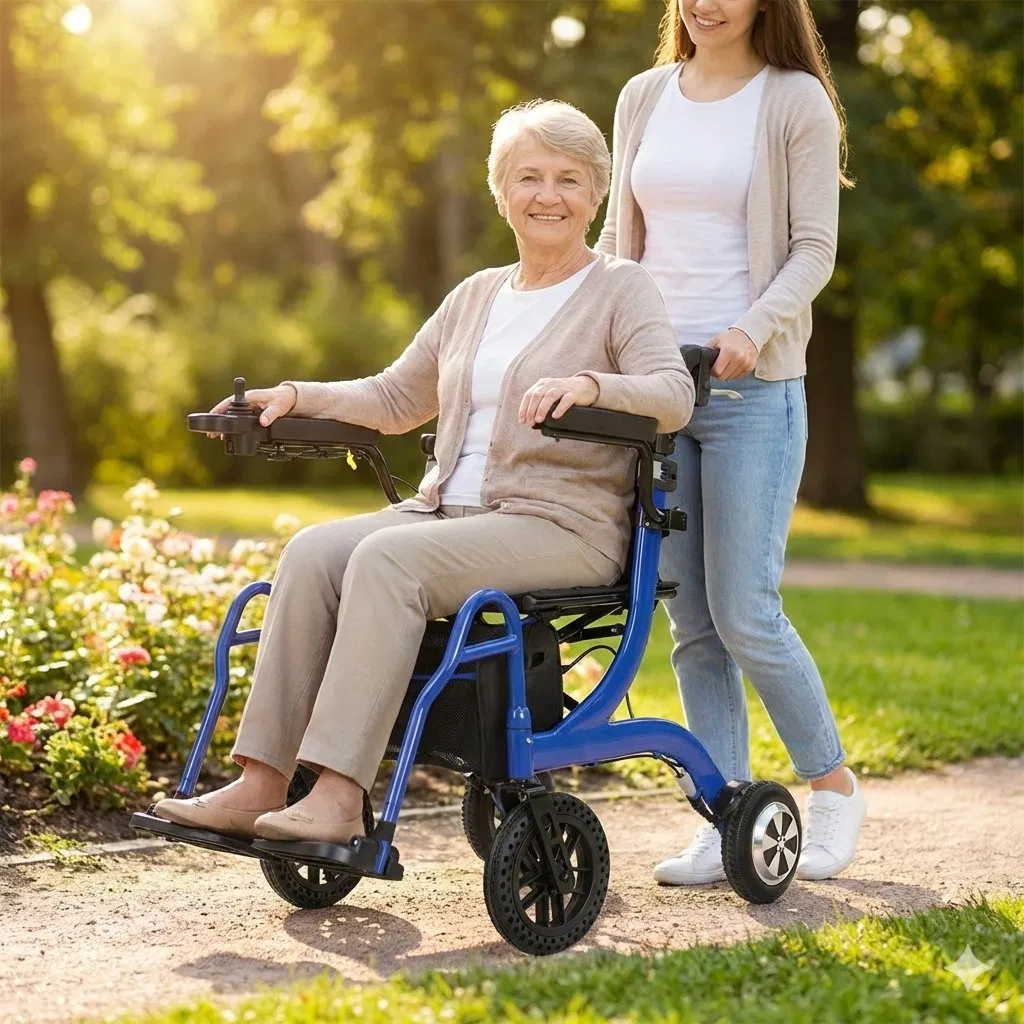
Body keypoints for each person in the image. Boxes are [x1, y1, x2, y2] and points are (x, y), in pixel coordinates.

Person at [154, 100, 695, 845]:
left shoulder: (620, 289)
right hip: (446, 514)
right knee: (311, 554)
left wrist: (595, 386)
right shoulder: (477, 295)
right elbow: (393, 396)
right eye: (529, 177)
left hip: (559, 525)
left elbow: (673, 394)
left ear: (597, 193)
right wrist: (294, 397)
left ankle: (341, 796)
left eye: (569, 180)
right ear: (500, 191)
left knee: (384, 560)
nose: (548, 196)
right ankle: (262, 781)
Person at [596, 0, 866, 884]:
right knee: (692, 622)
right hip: (660, 389)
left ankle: (832, 790)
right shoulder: (643, 95)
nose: (705, 1)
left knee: (746, 610)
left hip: (751, 386)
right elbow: (617, 240)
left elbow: (814, 250)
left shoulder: (795, 101)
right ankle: (726, 812)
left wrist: (750, 330)